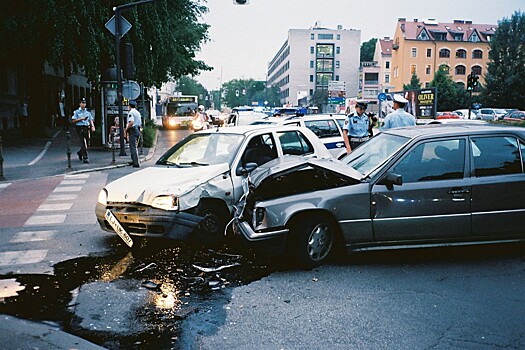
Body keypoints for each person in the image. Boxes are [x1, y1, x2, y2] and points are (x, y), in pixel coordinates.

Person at [71, 98, 95, 163]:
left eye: (84, 103)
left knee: (87, 142)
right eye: (82, 103)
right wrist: (81, 119)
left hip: (86, 127)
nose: (83, 104)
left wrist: (92, 126)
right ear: (79, 104)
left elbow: (90, 120)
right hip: (79, 127)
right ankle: (85, 157)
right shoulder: (76, 112)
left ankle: (80, 153)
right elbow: (73, 120)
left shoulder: (87, 112)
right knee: (83, 142)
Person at [126, 100, 142, 168]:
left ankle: (135, 163)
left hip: (133, 130)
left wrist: (126, 128)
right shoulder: (137, 112)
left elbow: (131, 122)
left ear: (129, 106)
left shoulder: (131, 113)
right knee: (134, 146)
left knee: (133, 147)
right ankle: (133, 160)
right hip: (137, 129)